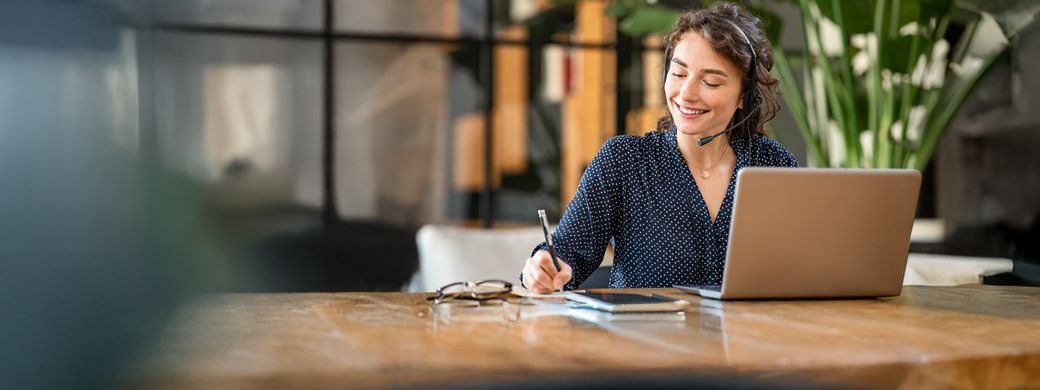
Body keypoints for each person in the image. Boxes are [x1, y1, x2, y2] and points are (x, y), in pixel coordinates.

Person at [521, 2, 798, 294]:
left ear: (745, 95)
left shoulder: (774, 164)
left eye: (710, 82)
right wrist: (542, 269)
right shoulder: (624, 160)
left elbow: (801, 265)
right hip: (646, 325)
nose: (686, 94)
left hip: (752, 326)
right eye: (678, 74)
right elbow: (565, 254)